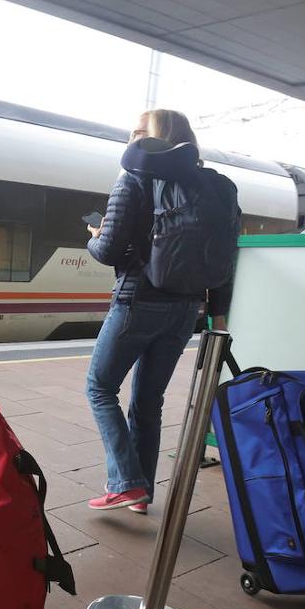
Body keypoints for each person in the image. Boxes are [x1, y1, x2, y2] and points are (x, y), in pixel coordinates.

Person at [84, 109, 235, 514]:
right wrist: (217, 314)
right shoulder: (215, 187)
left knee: (99, 388)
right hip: (186, 309)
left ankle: (126, 482)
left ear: (153, 140)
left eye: (137, 132)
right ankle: (141, 491)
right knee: (149, 401)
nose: (132, 139)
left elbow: (109, 250)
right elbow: (225, 253)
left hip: (138, 300)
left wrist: (94, 238)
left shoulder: (133, 179)